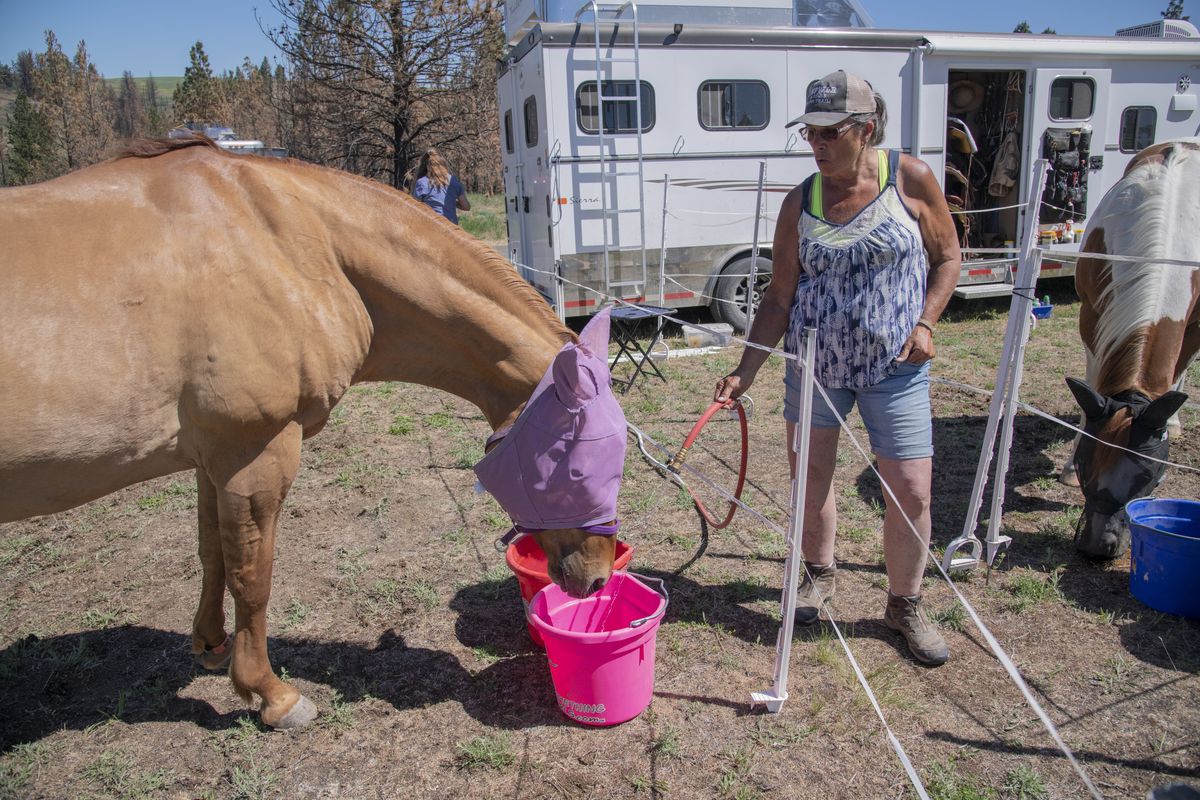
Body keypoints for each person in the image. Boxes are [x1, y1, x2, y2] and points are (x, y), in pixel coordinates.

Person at [712, 70, 961, 666]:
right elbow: (777, 297)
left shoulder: (911, 179)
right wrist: (746, 371)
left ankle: (904, 605)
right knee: (811, 477)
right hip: (814, 365)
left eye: (830, 133)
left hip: (895, 367)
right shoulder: (800, 201)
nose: (817, 144)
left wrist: (926, 321)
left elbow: (948, 257)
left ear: (865, 129)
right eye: (810, 133)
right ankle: (818, 576)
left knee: (911, 490)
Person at [412, 149, 470, 224]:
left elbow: (415, 209)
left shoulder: (422, 183)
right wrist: (452, 202)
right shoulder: (453, 181)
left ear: (427, 167)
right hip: (451, 227)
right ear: (444, 165)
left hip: (431, 226)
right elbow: (466, 207)